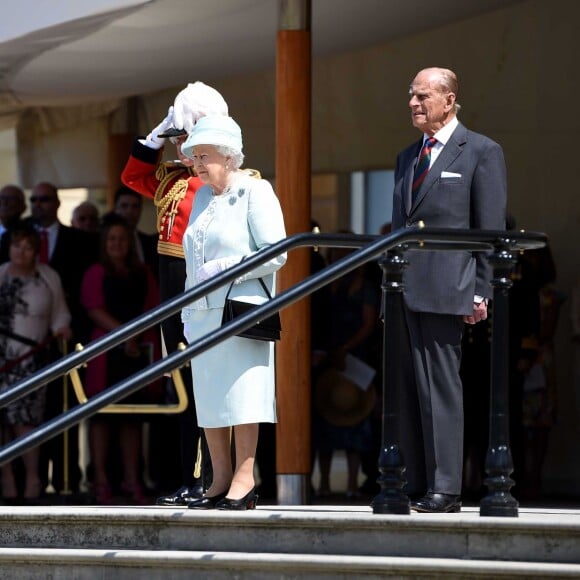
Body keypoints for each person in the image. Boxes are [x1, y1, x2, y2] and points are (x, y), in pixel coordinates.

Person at [391, 67, 507, 513]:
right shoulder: (407, 156)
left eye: (423, 96)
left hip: (449, 286)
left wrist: (481, 291)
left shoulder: (480, 151)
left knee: (441, 388)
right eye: (411, 95)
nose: (414, 103)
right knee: (410, 390)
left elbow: (490, 229)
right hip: (404, 290)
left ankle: (447, 487)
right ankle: (418, 482)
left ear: (449, 100)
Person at [120, 81, 229, 506]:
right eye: (179, 139)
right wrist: (153, 137)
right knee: (181, 384)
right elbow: (132, 176)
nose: (181, 145)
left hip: (196, 282)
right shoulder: (169, 179)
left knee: (203, 384)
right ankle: (191, 475)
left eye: (186, 137)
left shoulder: (220, 181)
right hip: (170, 290)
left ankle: (203, 477)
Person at [180, 114, 287, 510]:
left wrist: (229, 267)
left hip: (242, 311)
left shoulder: (255, 192)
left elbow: (278, 252)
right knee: (209, 398)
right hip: (203, 312)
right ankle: (219, 477)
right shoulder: (204, 196)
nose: (197, 163)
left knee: (244, 396)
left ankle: (245, 478)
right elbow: (193, 257)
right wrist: (188, 306)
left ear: (228, 156)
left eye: (204, 155)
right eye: (194, 156)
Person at [80, 216, 162, 504]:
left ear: (130, 243)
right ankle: (101, 480)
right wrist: (124, 335)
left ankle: (132, 479)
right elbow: (93, 308)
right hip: (106, 352)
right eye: (112, 239)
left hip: (136, 350)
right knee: (101, 418)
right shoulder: (96, 271)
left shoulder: (142, 272)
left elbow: (153, 306)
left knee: (133, 418)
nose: (117, 244)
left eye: (122, 239)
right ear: (104, 243)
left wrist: (135, 338)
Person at [26, 181, 99, 497]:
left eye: (44, 199)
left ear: (56, 203)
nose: (38, 204)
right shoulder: (20, 238)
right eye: (34, 200)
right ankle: (35, 480)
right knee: (31, 410)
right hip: (27, 343)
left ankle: (68, 477)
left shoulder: (79, 240)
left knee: (66, 407)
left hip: (69, 340)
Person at [0, 227, 71, 503]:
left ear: (36, 251)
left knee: (26, 421)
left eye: (28, 246)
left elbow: (60, 314)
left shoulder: (48, 276)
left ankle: (32, 477)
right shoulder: (2, 274)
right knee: (2, 422)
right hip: (3, 358)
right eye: (17, 245)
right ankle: (7, 479)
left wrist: (62, 329)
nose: (22, 251)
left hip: (31, 358)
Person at [313, 242, 380, 499]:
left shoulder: (364, 288)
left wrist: (345, 348)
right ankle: (324, 483)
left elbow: (368, 324)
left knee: (356, 424)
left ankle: (353, 482)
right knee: (325, 425)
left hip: (355, 356)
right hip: (328, 357)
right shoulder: (327, 285)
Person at [0, 185, 26, 264]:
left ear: (22, 207)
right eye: (1, 198)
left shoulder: (28, 234)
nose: (4, 202)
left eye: (11, 199)